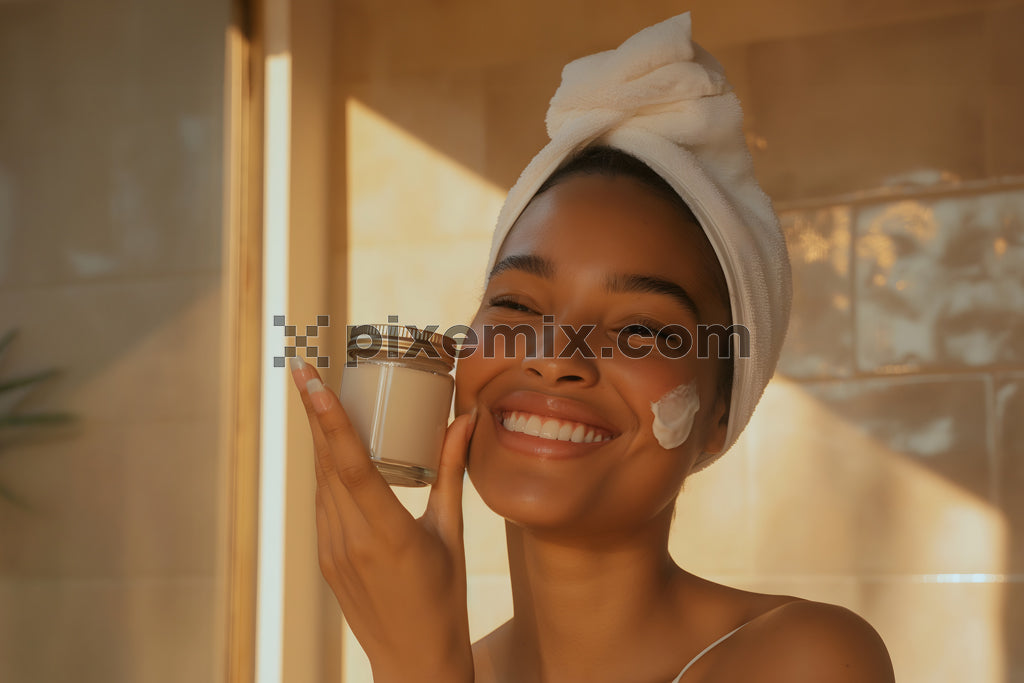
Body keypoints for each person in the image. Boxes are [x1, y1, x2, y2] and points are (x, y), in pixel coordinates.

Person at [289, 12, 895, 683]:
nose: (553, 357)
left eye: (640, 331)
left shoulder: (805, 657)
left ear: (720, 416)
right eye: (517, 305)